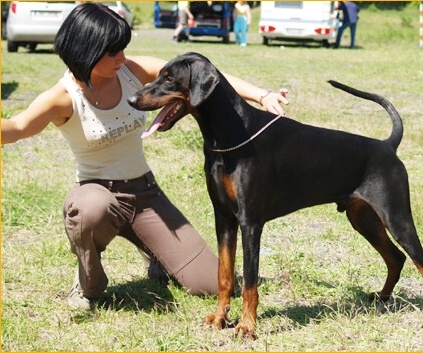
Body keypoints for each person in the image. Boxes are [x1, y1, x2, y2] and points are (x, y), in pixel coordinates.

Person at [1, 2, 289, 310]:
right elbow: (16, 127)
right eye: (113, 52)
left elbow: (205, 76)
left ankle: (155, 252)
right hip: (98, 195)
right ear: (85, 50)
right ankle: (88, 283)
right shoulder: (61, 97)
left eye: (123, 49)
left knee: (208, 282)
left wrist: (261, 94)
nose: (122, 58)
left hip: (145, 194)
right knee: (90, 211)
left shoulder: (130, 71)